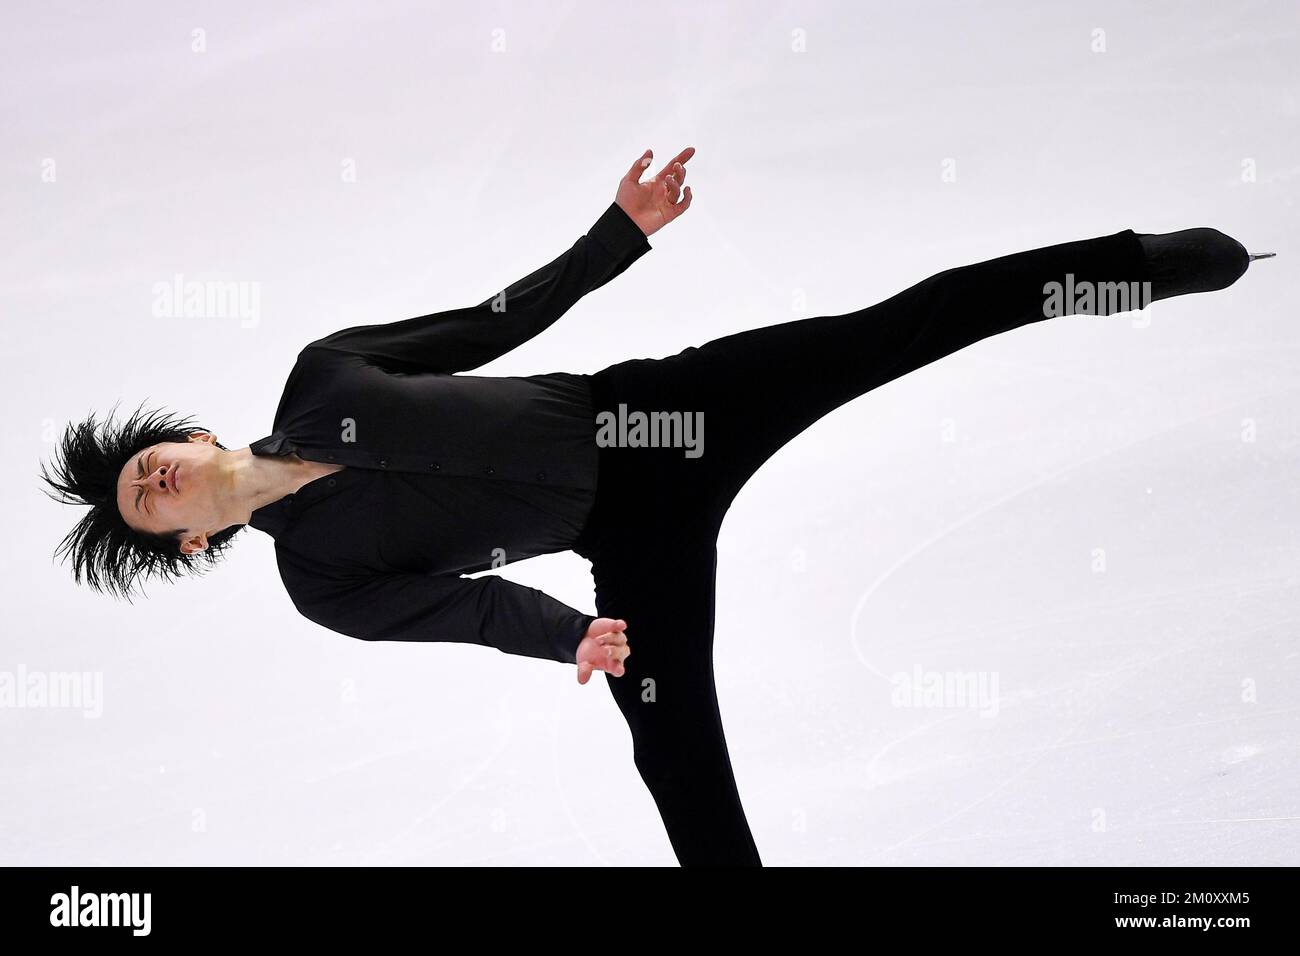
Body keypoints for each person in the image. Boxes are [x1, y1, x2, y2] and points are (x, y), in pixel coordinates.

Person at [40, 145, 1271, 866]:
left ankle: (1145, 267)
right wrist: (569, 636)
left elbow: (492, 324)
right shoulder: (321, 586)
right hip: (627, 537)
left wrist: (614, 236)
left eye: (145, 459)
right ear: (191, 538)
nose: (147, 477)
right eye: (144, 507)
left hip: (650, 414)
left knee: (905, 320)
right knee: (673, 745)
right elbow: (461, 613)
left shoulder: (325, 371)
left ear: (191, 435)